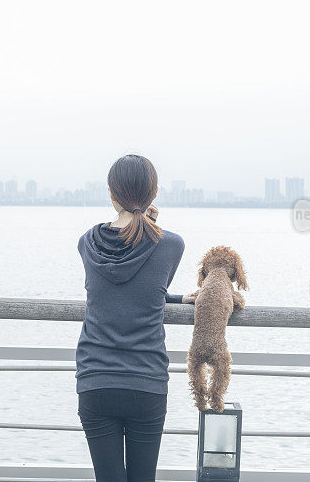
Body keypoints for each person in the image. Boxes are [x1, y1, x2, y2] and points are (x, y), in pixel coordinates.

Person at [76, 154, 195, 481]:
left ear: (111, 194)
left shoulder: (87, 243)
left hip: (96, 380)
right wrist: (152, 225)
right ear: (154, 193)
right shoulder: (172, 245)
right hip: (146, 383)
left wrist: (175, 298)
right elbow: (148, 285)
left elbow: (127, 287)